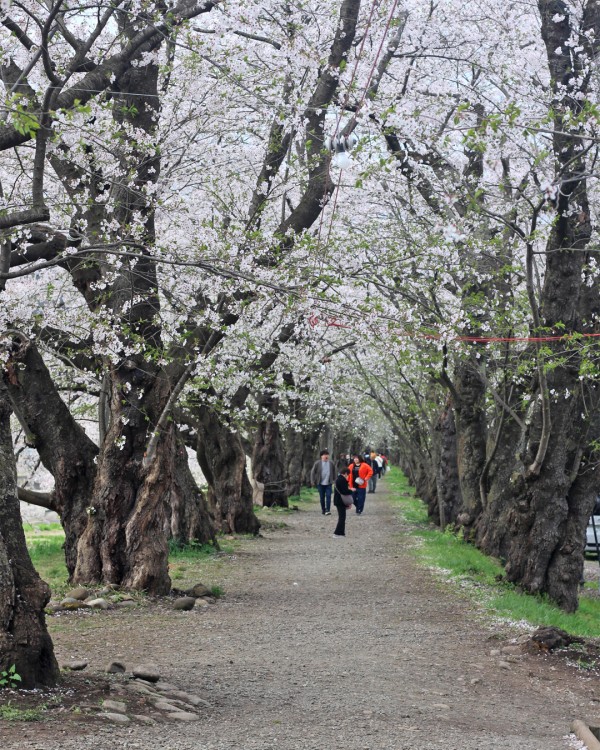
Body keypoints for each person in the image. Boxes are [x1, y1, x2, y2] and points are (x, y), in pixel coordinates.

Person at [310, 449, 336, 515]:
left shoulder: (331, 463)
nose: (326, 456)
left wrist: (335, 480)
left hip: (329, 483)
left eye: (327, 455)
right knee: (322, 497)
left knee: (328, 496)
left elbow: (334, 472)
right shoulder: (317, 463)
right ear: (321, 456)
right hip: (320, 483)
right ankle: (323, 509)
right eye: (324, 455)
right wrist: (312, 481)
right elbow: (312, 472)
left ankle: (328, 510)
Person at [333, 467, 352, 537]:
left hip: (338, 500)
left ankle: (341, 532)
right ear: (346, 473)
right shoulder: (342, 480)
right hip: (340, 501)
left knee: (342, 517)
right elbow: (344, 491)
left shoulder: (338, 479)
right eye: (348, 474)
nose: (348, 476)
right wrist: (351, 490)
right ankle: (337, 533)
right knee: (342, 517)